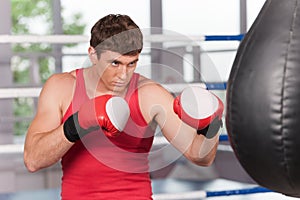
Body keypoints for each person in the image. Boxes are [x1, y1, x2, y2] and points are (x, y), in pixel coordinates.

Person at [24, 14, 224, 200]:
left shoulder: (149, 94)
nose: (123, 75)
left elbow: (200, 156)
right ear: (93, 54)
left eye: (132, 64)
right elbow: (33, 160)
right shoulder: (62, 87)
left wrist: (211, 126)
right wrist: (76, 124)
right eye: (115, 64)